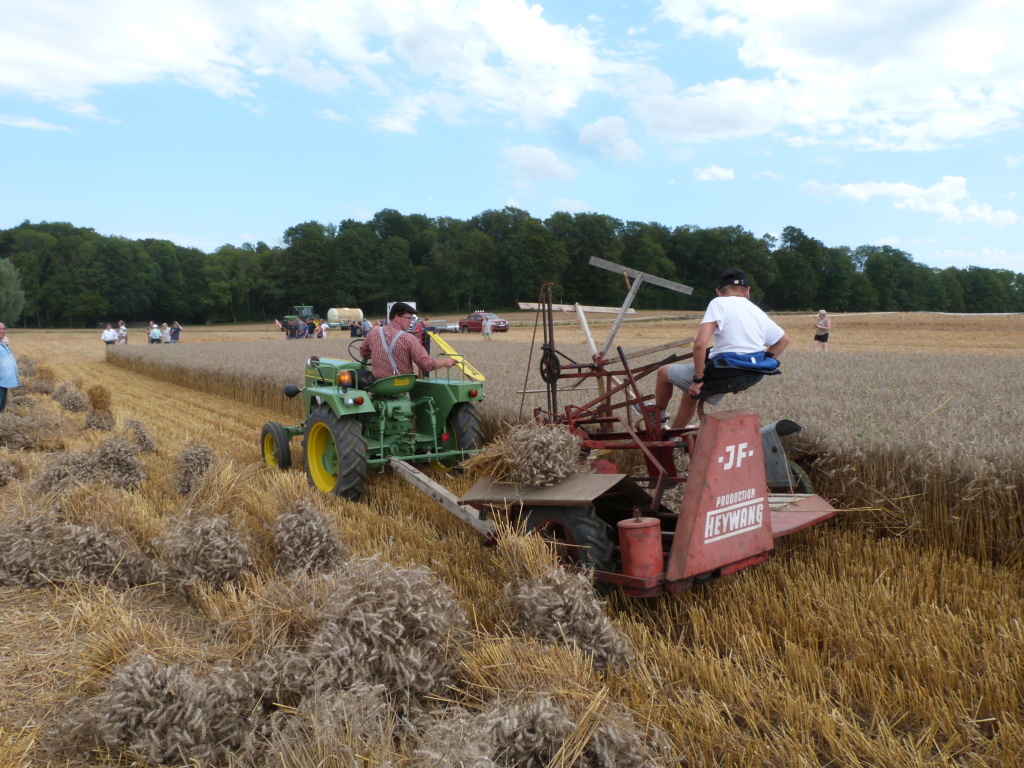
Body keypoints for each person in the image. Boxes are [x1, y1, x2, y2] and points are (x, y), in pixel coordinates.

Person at [649, 267, 789, 430]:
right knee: (690, 395)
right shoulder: (755, 310)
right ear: (747, 291)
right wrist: (761, 361)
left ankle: (657, 416)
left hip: (724, 372)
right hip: (752, 375)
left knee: (663, 372)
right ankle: (673, 436)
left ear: (718, 291)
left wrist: (698, 380)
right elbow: (783, 340)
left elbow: (700, 344)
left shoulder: (718, 303)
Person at [359, 302, 457, 380]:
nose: (411, 322)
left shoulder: (373, 332)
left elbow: (363, 352)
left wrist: (379, 354)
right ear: (397, 317)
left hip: (379, 383)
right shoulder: (408, 338)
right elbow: (427, 365)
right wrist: (445, 362)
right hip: (402, 383)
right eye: (408, 318)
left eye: (412, 319)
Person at [0, 323, 17, 413]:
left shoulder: (3, 344)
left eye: (3, 328)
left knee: (2, 406)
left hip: (4, 382)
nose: (2, 330)